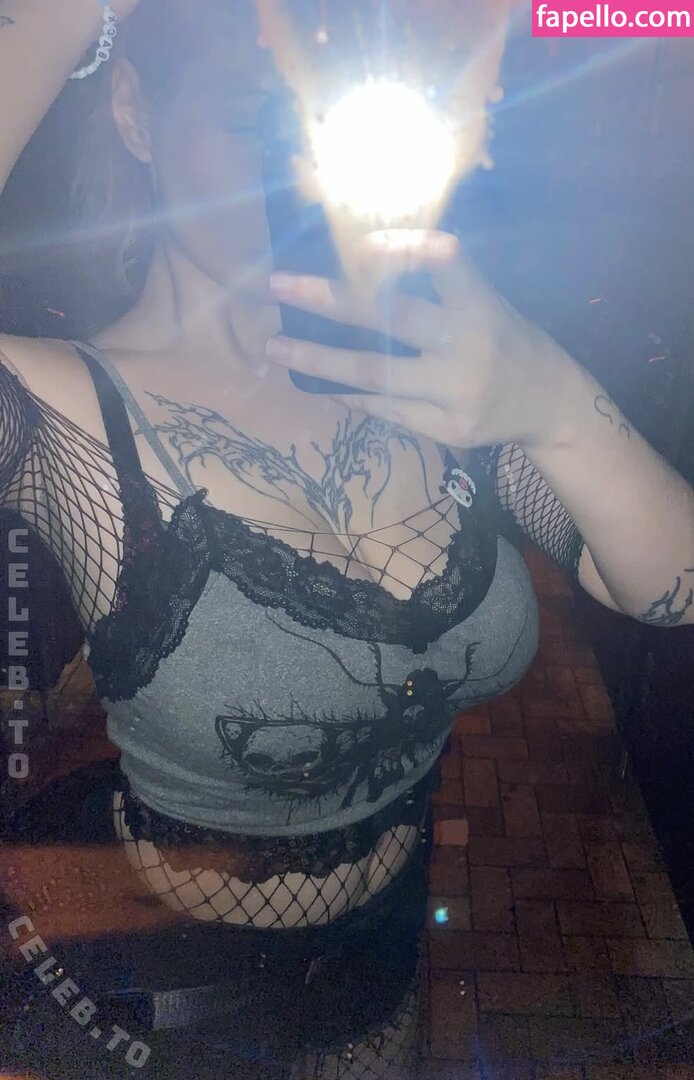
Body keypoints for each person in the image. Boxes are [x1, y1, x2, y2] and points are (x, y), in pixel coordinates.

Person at [1, 0, 693, 1073]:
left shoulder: (443, 371)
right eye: (255, 118)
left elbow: (668, 584)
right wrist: (55, 25)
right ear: (135, 111)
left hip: (382, 947)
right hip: (168, 989)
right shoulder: (66, 409)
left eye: (319, 129)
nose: (292, 171)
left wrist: (555, 402)